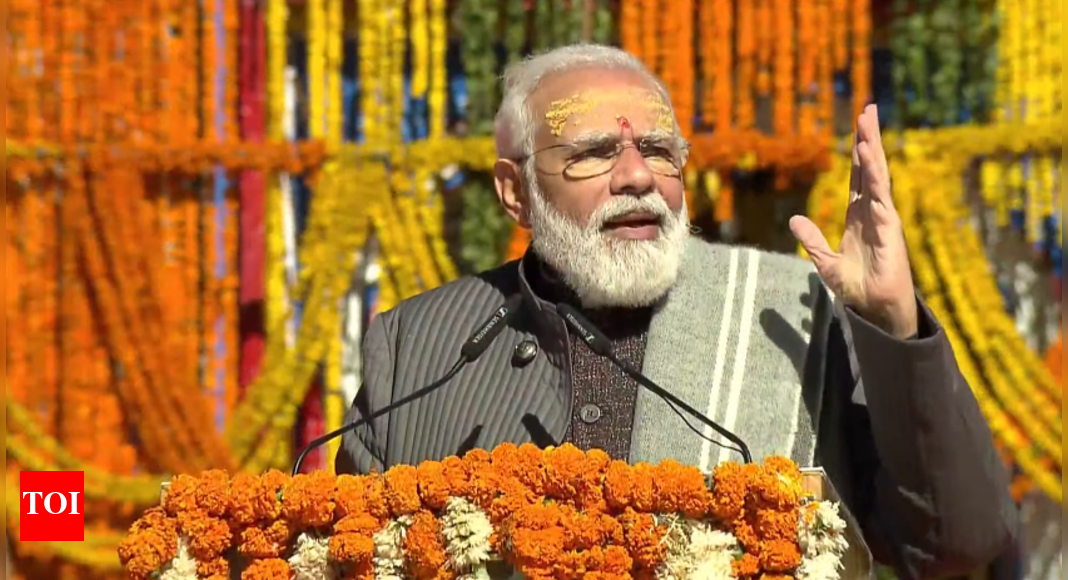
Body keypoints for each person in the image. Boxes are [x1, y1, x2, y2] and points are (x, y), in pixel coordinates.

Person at [336, 44, 1016, 579]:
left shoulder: (793, 313)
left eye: (659, 150)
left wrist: (894, 324)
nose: (638, 177)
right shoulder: (420, 346)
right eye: (594, 153)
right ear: (515, 192)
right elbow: (347, 559)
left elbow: (958, 542)